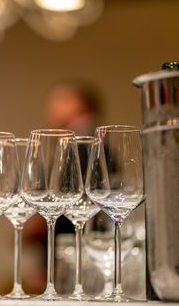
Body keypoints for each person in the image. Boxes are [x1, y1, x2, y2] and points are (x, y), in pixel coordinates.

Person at [22, 78, 103, 293]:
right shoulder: (85, 140)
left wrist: (34, 229)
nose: (50, 110)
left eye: (59, 101)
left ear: (79, 104)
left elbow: (73, 198)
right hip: (74, 249)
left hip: (74, 251)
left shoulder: (82, 142)